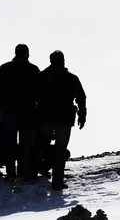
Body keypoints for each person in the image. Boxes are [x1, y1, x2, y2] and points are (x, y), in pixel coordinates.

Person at [32, 50, 86, 190]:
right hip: (64, 118)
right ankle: (57, 182)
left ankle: (32, 175)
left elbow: (32, 96)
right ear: (62, 60)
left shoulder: (41, 77)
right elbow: (81, 97)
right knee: (60, 149)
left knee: (41, 145)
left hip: (45, 117)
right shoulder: (71, 78)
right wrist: (82, 115)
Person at [0, 44, 40, 180]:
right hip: (27, 112)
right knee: (25, 144)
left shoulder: (4, 68)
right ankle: (22, 171)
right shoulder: (33, 69)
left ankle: (10, 172)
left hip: (9, 112)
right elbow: (38, 91)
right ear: (26, 53)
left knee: (10, 143)